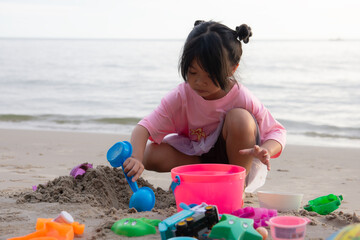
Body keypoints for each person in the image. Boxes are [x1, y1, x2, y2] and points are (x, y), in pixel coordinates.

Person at [123, 20, 286, 192]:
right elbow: (145, 127)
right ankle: (200, 174)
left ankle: (235, 186)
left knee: (241, 119)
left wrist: (266, 149)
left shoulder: (240, 96)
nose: (199, 82)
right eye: (192, 72)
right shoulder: (181, 96)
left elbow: (277, 131)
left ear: (232, 69)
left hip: (233, 160)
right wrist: (136, 158)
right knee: (149, 154)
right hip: (198, 155)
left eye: (209, 74)